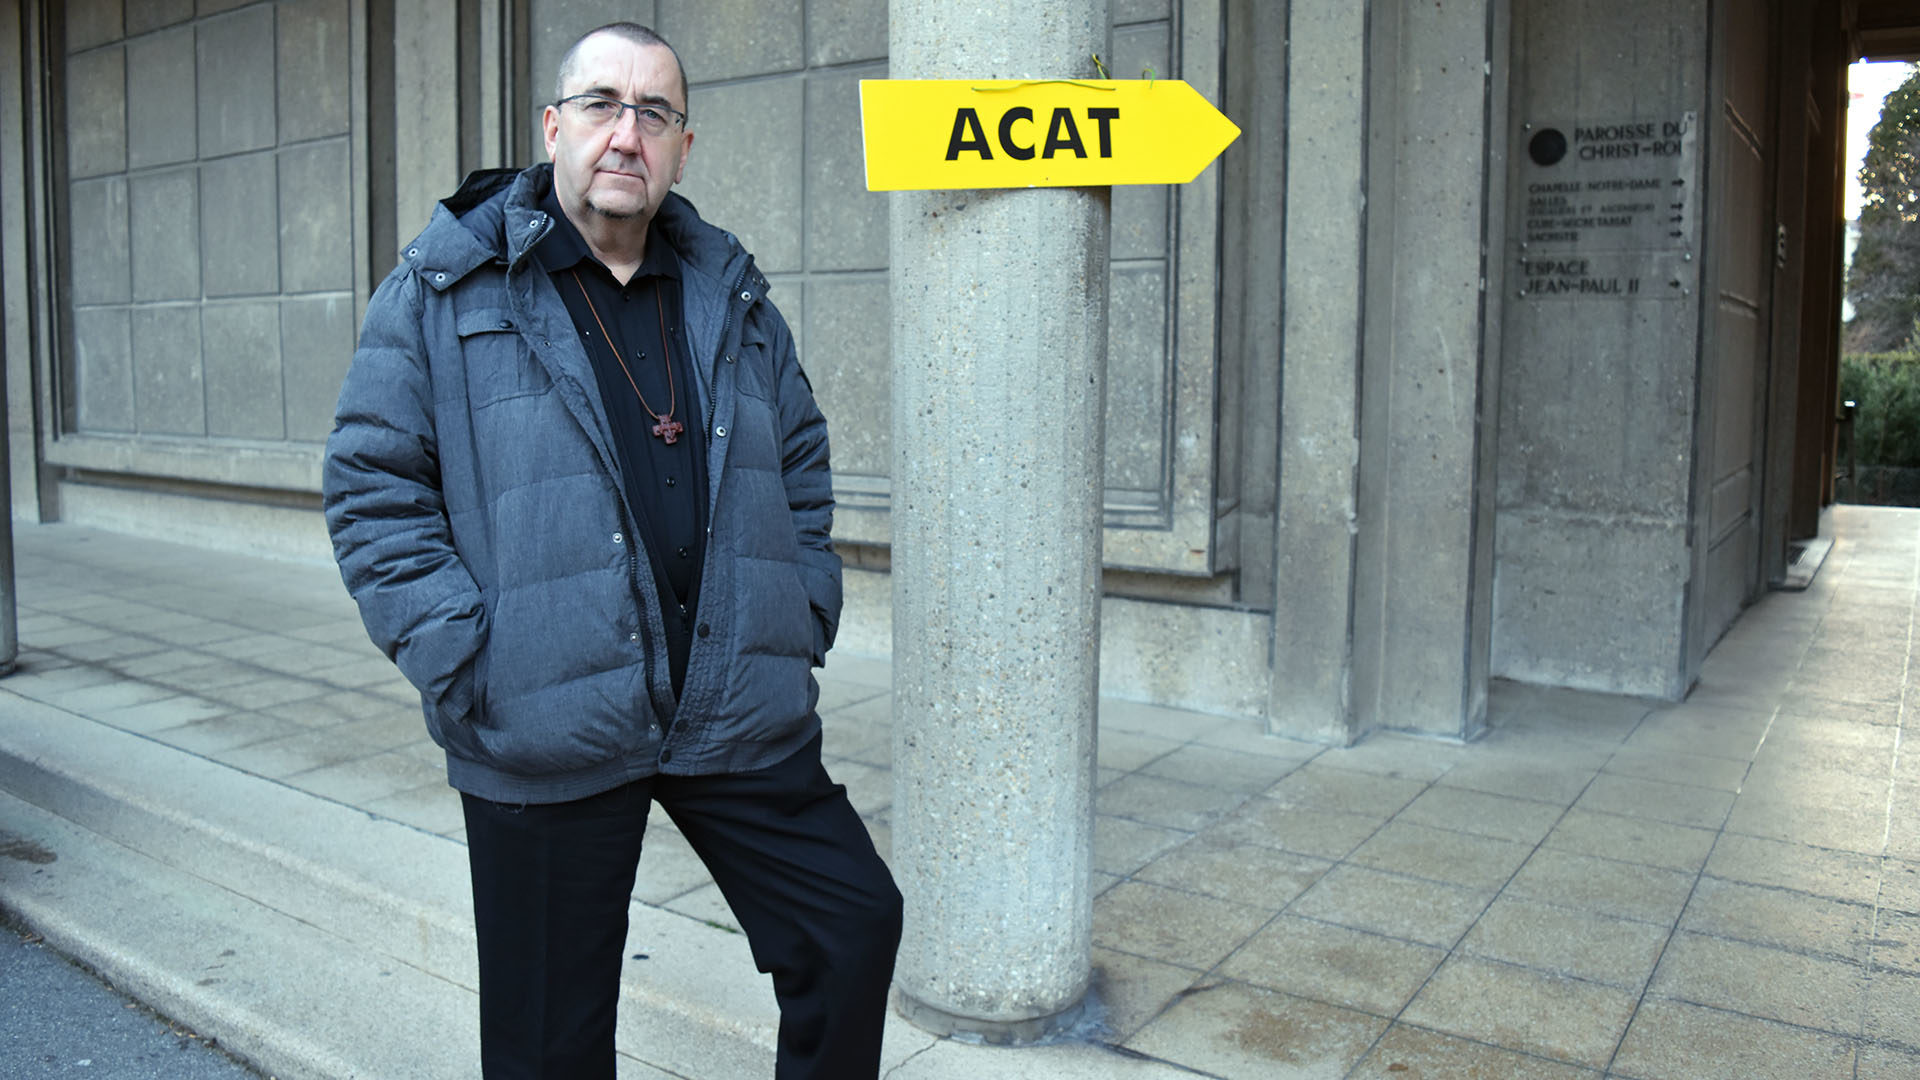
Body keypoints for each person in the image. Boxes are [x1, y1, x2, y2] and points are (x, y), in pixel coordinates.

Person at [321, 22, 902, 1079]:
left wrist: (803, 603)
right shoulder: (446, 288)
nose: (625, 132)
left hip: (731, 697)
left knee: (852, 923)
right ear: (554, 127)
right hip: (546, 710)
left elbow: (804, 459)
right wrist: (464, 655)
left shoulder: (732, 294)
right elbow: (372, 484)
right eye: (600, 104)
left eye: (654, 112)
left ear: (684, 146)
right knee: (552, 1041)